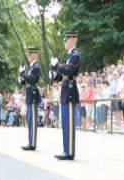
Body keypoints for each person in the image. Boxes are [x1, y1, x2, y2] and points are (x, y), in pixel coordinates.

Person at [50, 32, 80, 160]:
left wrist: (58, 66)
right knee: (65, 122)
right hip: (65, 89)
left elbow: (69, 71)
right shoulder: (69, 55)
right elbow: (63, 74)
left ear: (72, 40)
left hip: (70, 90)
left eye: (66, 40)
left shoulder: (75, 54)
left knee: (69, 123)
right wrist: (54, 73)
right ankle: (66, 149)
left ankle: (70, 151)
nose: (64, 42)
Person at [19, 47, 41, 151]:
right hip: (29, 95)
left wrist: (23, 74)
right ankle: (30, 141)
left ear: (34, 55)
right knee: (29, 119)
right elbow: (26, 81)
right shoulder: (32, 67)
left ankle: (32, 143)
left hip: (32, 96)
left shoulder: (36, 66)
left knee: (32, 120)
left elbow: (32, 79)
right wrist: (22, 78)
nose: (28, 56)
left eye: (29, 54)